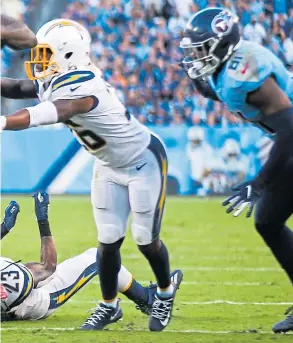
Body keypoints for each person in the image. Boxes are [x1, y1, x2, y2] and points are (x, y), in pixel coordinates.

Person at [0, 18, 181, 332]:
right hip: (108, 165)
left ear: (68, 55)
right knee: (107, 242)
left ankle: (164, 293)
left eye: (45, 53)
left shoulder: (85, 85)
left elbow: (51, 112)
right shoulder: (59, 78)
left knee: (144, 240)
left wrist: (3, 122)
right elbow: (16, 87)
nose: (38, 60)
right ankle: (109, 307)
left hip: (142, 161)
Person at [179, 7, 293, 333]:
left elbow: (289, 129)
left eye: (200, 49)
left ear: (221, 44)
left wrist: (259, 182)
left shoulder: (245, 72)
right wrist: (198, 83)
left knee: (269, 219)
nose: (195, 56)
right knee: (269, 222)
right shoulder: (227, 70)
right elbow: (220, 91)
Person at [1, 194, 182, 321]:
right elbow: (48, 267)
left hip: (16, 296)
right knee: (97, 258)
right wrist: (42, 220)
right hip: (35, 300)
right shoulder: (10, 283)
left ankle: (143, 299)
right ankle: (147, 298)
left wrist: (4, 228)